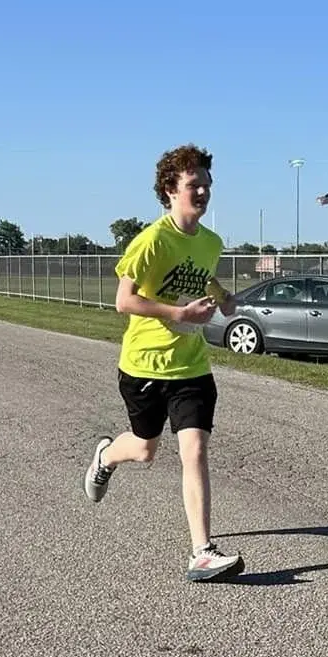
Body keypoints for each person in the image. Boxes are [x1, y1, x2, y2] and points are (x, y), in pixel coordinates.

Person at [84, 144, 244, 582]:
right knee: (145, 449)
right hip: (143, 366)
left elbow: (202, 274)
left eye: (208, 185)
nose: (204, 192)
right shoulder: (151, 241)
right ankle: (106, 456)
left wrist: (225, 297)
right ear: (170, 190)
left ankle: (202, 552)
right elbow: (123, 300)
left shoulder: (211, 242)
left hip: (191, 366)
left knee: (194, 450)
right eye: (194, 185)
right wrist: (178, 314)